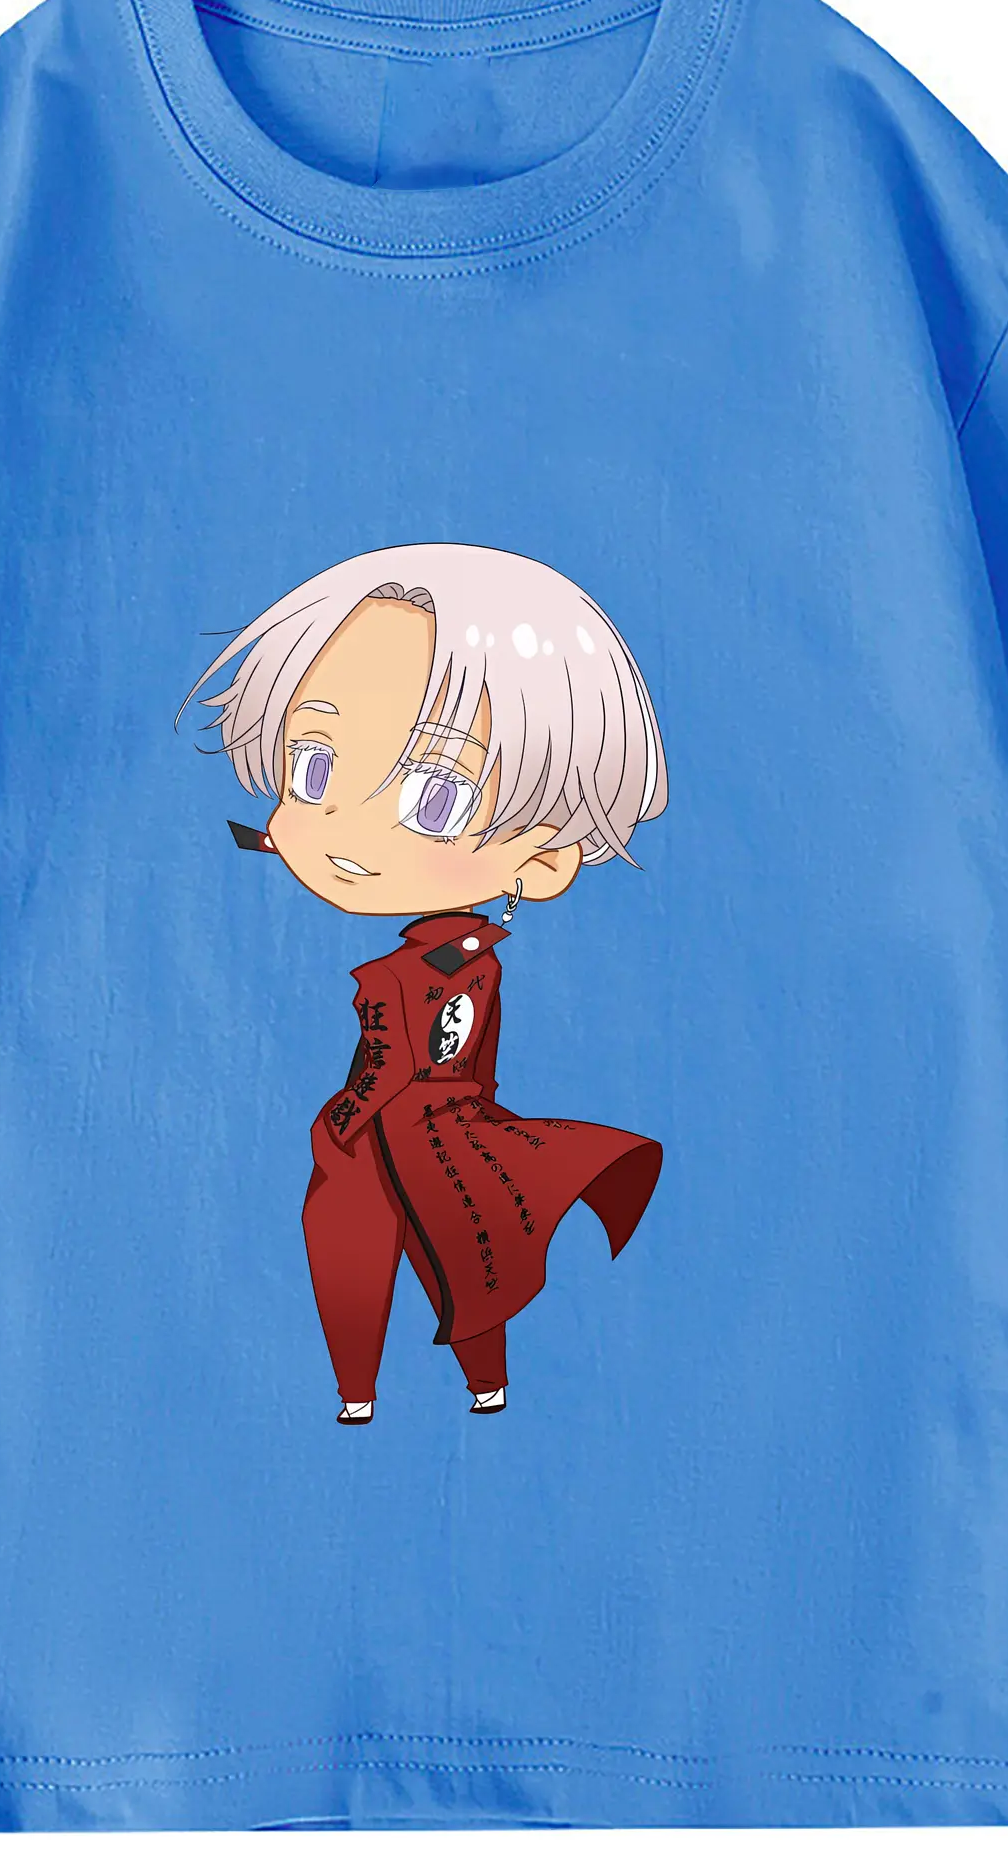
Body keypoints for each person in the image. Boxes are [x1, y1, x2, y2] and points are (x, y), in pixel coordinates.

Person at [180, 543, 669, 1422]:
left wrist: (349, 1119)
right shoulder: (454, 958)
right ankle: (408, 1389)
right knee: (408, 1252)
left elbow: (420, 1060)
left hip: (420, 1137)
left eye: (434, 799)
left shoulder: (452, 965)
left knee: (456, 1251)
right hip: (405, 1136)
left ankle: (435, 1386)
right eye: (313, 765)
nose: (342, 824)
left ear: (544, 859)